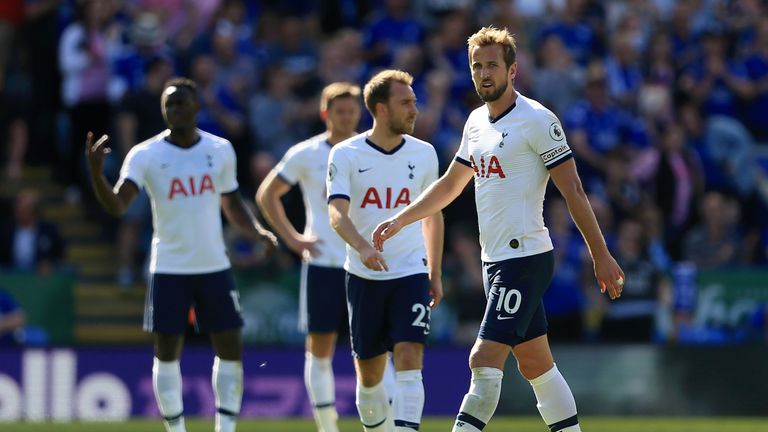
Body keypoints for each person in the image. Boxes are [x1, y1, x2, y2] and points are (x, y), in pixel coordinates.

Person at [372, 27, 625, 432]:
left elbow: (574, 189)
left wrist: (601, 254)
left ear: (513, 70)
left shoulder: (538, 120)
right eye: (477, 66)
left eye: (492, 65)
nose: (484, 73)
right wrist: (403, 217)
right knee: (535, 364)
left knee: (483, 359)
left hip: (525, 256)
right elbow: (451, 184)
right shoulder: (475, 122)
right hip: (495, 261)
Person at [85, 77, 278, 432]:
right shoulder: (146, 154)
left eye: (181, 103)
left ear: (197, 107)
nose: (174, 109)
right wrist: (97, 174)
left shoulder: (220, 150)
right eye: (169, 104)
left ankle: (226, 427)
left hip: (214, 265)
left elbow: (231, 203)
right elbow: (117, 205)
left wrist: (258, 231)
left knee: (231, 347)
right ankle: (176, 429)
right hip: (169, 268)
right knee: (167, 353)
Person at [256, 82, 395, 432]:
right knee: (320, 346)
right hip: (322, 264)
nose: (347, 117)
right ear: (325, 113)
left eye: (351, 111)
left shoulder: (371, 150)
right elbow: (267, 194)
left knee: (377, 346)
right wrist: (293, 239)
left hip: (365, 264)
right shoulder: (306, 153)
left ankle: (386, 422)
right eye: (340, 111)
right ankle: (326, 424)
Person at [327, 70, 444, 432]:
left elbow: (432, 216)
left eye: (414, 101)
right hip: (364, 277)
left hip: (410, 272)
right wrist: (362, 247)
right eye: (405, 103)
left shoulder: (424, 154)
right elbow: (335, 213)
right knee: (370, 375)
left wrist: (434, 273)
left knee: (410, 354)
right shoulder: (346, 153)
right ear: (381, 108)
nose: (414, 109)